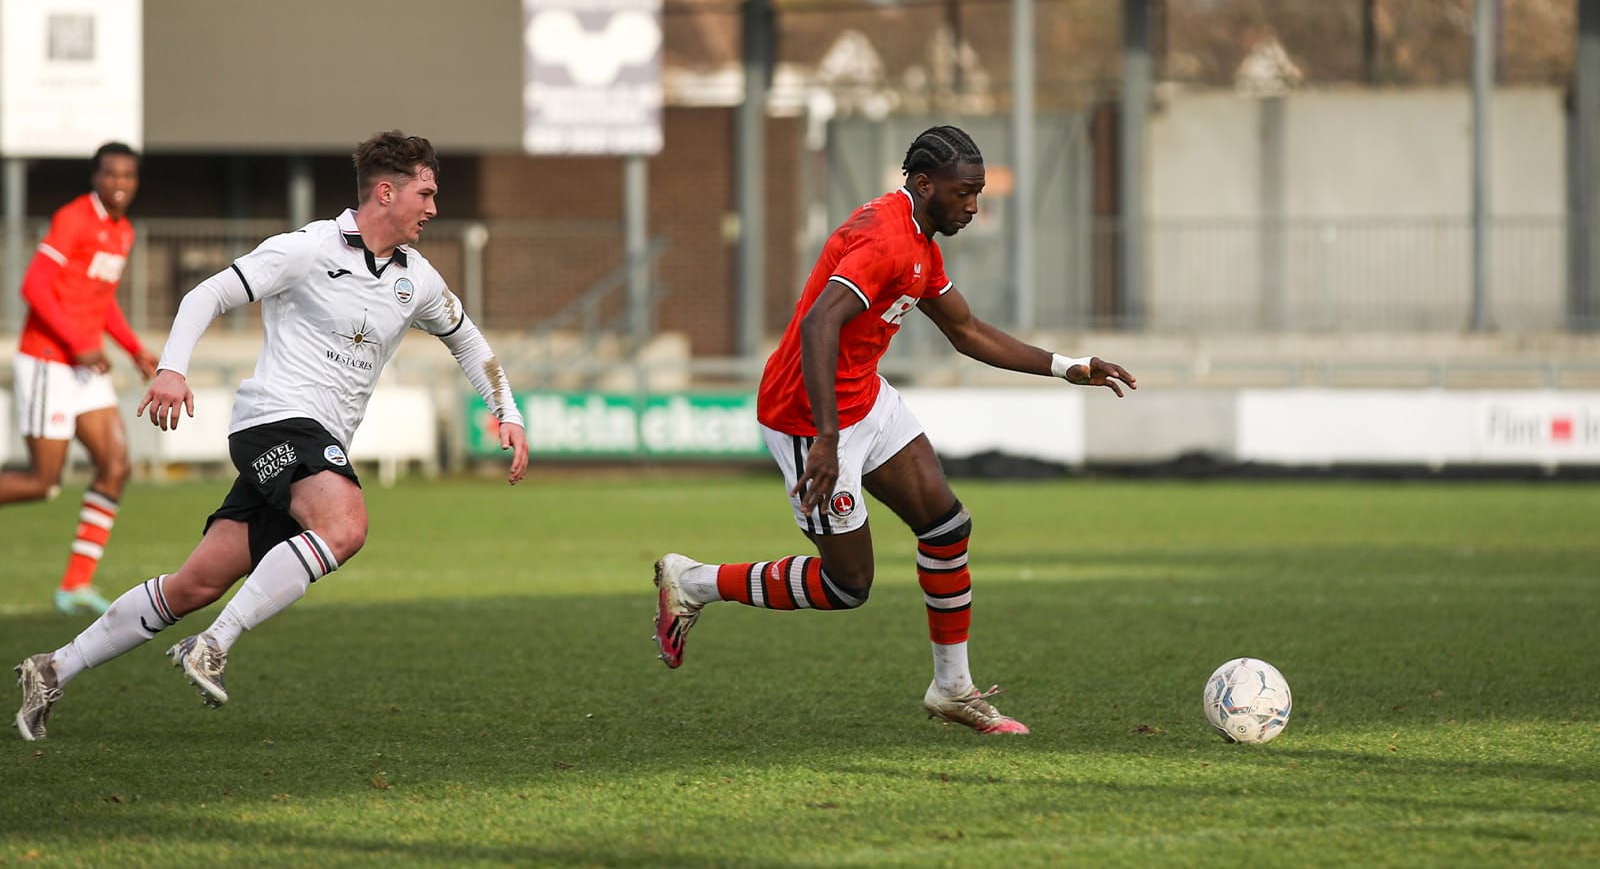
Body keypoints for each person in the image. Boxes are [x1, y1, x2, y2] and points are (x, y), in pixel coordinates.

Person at [13, 130, 529, 742]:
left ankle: (52, 668)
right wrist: (171, 368)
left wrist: (508, 410)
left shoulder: (416, 280)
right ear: (386, 192)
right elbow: (208, 293)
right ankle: (213, 645)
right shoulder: (307, 249)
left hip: (315, 442)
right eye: (426, 192)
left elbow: (468, 340)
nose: (434, 208)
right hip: (276, 421)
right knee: (345, 525)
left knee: (196, 583)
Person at [652, 125, 1136, 735]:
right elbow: (819, 326)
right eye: (965, 192)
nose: (973, 206)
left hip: (864, 399)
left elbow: (968, 332)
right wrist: (826, 440)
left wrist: (1070, 367)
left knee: (946, 526)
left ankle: (952, 688)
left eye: (978, 192)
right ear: (925, 183)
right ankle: (692, 582)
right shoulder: (886, 240)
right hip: (809, 416)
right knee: (847, 585)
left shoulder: (921, 243)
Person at [1, 142, 160, 616]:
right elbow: (33, 286)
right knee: (42, 482)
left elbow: (101, 299)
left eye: (128, 177)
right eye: (111, 175)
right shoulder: (73, 218)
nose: (120, 184)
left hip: (84, 366)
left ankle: (75, 585)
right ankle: (74, 584)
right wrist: (79, 343)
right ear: (95, 177)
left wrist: (134, 349)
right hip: (50, 359)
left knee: (116, 464)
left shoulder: (124, 232)